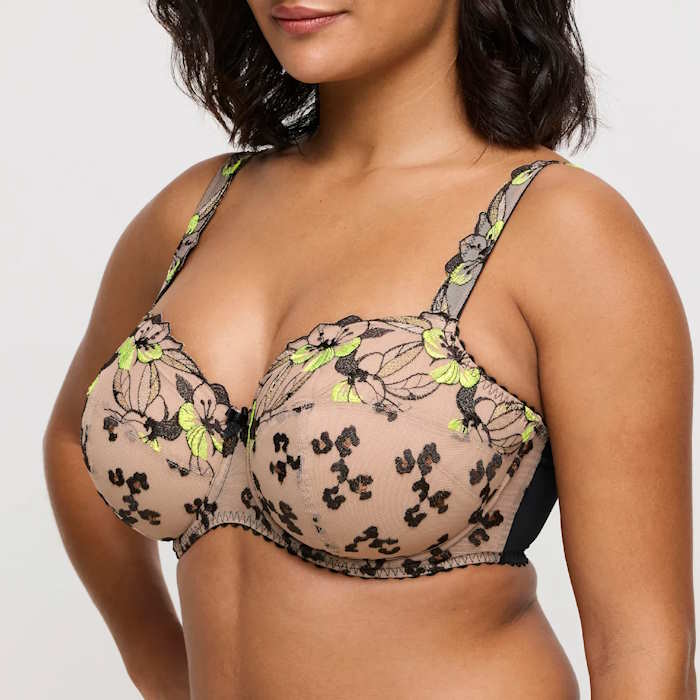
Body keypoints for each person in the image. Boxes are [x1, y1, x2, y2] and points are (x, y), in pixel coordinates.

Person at [44, 1, 695, 698]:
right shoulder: (196, 212)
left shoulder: (563, 230)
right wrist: (161, 668)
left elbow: (643, 652)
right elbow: (73, 442)